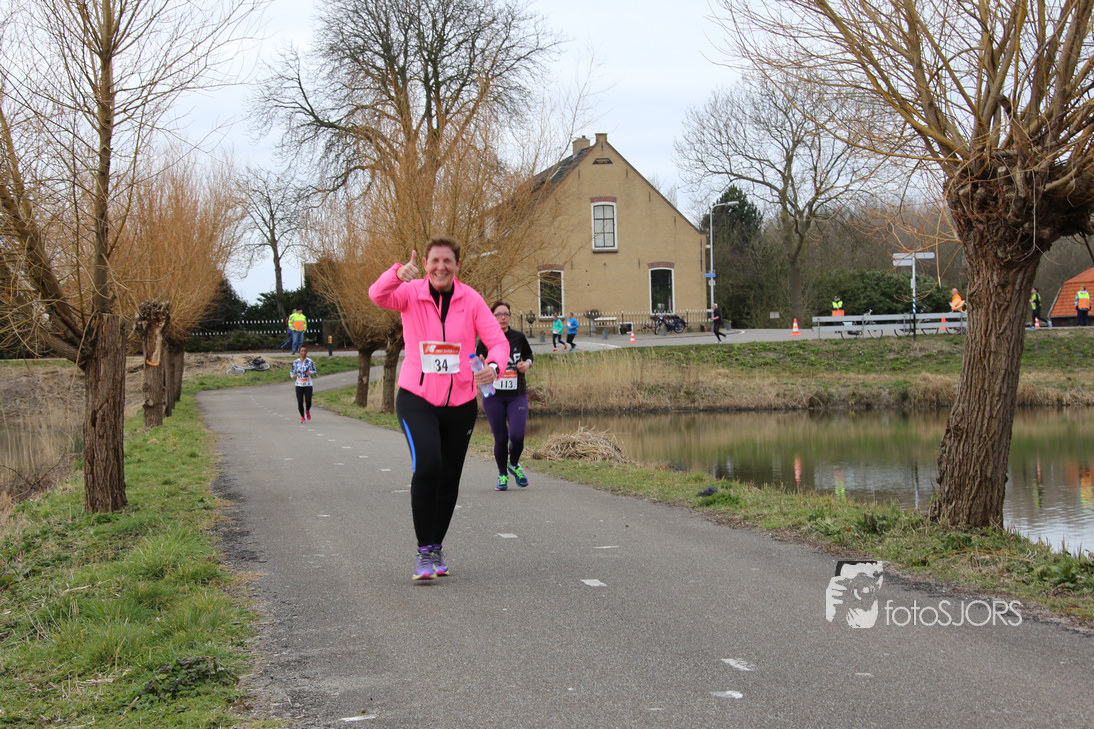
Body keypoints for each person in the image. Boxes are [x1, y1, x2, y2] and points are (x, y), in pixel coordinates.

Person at [368, 235, 510, 581]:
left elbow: (497, 342)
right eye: (434, 261)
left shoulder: (471, 299)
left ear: (457, 265)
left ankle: (435, 547)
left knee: (449, 478)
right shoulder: (409, 293)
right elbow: (377, 295)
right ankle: (423, 552)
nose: (440, 267)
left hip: (460, 403)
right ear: (425, 264)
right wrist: (397, 273)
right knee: (428, 465)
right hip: (416, 398)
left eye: (447, 261)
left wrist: (494, 366)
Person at [477, 301, 534, 491]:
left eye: (506, 314)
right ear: (492, 317)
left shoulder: (518, 337)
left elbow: (529, 355)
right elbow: (476, 364)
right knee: (500, 438)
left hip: (517, 395)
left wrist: (526, 365)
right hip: (493, 396)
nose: (503, 317)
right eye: (499, 314)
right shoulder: (485, 339)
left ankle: (514, 464)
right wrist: (482, 366)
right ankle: (502, 475)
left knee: (517, 436)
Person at [290, 346, 317, 423]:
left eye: (305, 351)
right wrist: (292, 376)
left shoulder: (310, 361)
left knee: (308, 400)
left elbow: (315, 370)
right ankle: (302, 417)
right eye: (302, 351)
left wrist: (310, 372)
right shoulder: (296, 362)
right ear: (299, 353)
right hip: (299, 384)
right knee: (300, 401)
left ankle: (307, 410)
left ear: (306, 352)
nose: (303, 352)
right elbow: (291, 371)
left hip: (308, 384)